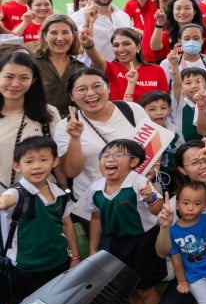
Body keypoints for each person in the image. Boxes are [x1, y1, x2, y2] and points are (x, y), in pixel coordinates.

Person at [0, 136, 76, 304]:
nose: (36, 165)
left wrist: (75, 256)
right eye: (29, 161)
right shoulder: (15, 194)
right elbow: (5, 201)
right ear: (16, 166)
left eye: (43, 159)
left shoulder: (60, 193)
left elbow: (66, 224)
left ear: (55, 161)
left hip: (57, 263)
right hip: (24, 268)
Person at [84, 139, 168, 304]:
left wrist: (150, 196)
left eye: (118, 155)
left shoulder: (139, 183)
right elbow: (95, 218)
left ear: (134, 162)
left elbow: (158, 211)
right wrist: (93, 248)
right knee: (127, 287)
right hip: (113, 242)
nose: (110, 159)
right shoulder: (95, 187)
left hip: (142, 242)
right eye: (106, 155)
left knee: (146, 288)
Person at [55, 69, 155, 232]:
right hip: (97, 207)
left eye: (97, 86)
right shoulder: (65, 126)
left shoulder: (131, 110)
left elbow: (152, 147)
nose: (90, 93)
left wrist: (154, 170)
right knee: (105, 253)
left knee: (145, 250)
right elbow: (71, 172)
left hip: (138, 199)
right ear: (72, 96)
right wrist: (75, 138)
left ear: (108, 88)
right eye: (81, 89)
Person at [0, 52, 61, 190]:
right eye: (9, 77)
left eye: (24, 78)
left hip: (39, 199)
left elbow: (59, 164)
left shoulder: (48, 113)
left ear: (33, 80)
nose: (15, 84)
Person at [83, 27, 169, 102]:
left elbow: (164, 101)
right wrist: (89, 46)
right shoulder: (109, 68)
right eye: (116, 45)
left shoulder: (157, 70)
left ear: (138, 47)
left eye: (126, 44)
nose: (120, 49)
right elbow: (97, 60)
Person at [70, 0, 134, 61]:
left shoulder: (124, 16)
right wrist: (87, 23)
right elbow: (76, 50)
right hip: (92, 73)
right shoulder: (76, 18)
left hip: (120, 73)